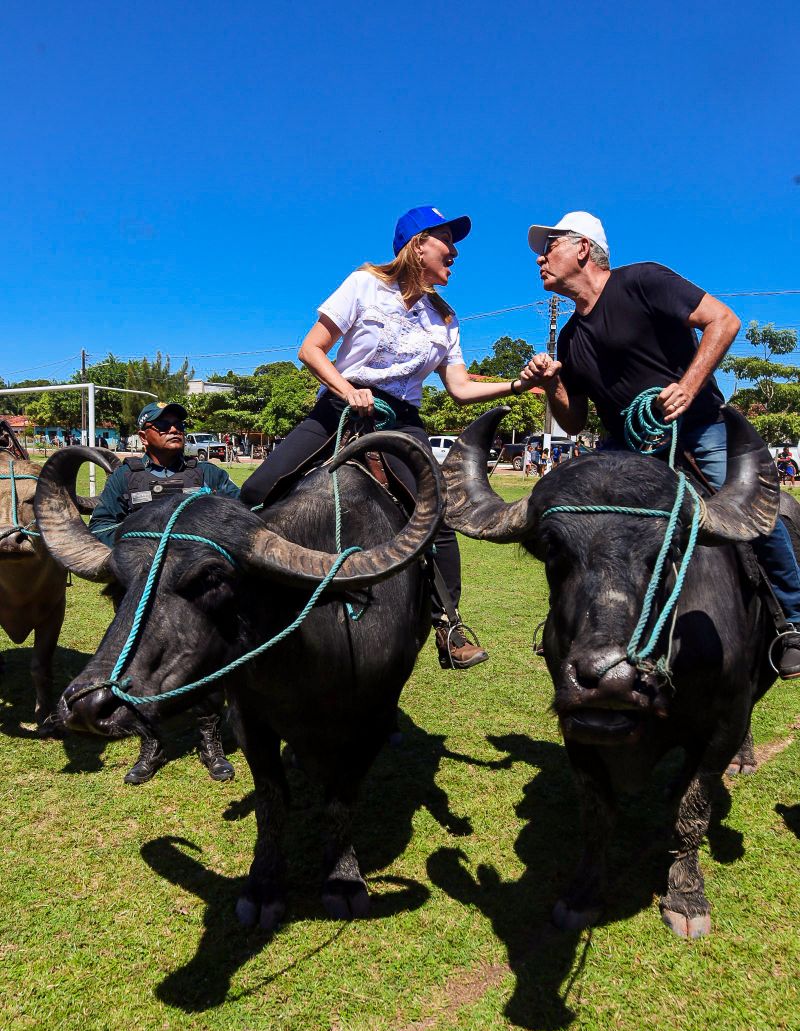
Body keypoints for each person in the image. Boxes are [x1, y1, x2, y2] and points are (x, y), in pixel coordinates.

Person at [240, 205, 539, 668]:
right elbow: (311, 350)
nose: (455, 252)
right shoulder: (364, 285)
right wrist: (347, 390)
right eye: (446, 240)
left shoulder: (445, 319)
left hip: (401, 421)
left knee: (437, 516)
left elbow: (459, 389)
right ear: (417, 245)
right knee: (257, 490)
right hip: (340, 406)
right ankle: (227, 598)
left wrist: (517, 385)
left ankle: (448, 625)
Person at [521, 210, 800, 680]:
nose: (540, 259)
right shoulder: (569, 337)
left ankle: (792, 621)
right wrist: (552, 385)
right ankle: (580, 626)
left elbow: (724, 320)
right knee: (579, 523)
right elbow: (574, 421)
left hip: (698, 429)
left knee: (755, 511)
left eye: (549, 247)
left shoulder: (642, 281)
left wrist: (688, 387)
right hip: (625, 445)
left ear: (583, 248)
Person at [89, 401, 243, 782]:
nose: (175, 429)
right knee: (139, 668)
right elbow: (101, 526)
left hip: (196, 596)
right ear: (144, 437)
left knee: (206, 663)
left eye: (178, 424)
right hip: (141, 594)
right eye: (163, 425)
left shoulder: (206, 473)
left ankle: (210, 741)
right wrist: (137, 551)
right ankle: (152, 744)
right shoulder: (126, 478)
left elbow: (242, 511)